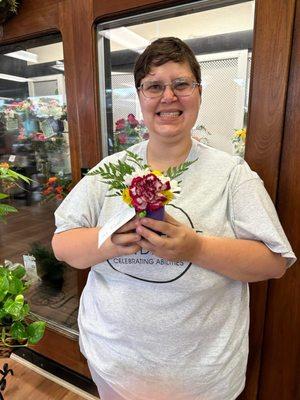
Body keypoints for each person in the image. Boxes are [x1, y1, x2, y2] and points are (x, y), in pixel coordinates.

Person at [52, 37, 296, 400]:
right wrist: (111, 240)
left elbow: (274, 262)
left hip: (202, 376)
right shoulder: (110, 170)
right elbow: (62, 245)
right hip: (114, 363)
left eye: (181, 84)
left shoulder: (232, 174)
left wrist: (195, 247)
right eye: (154, 86)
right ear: (140, 96)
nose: (168, 97)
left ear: (199, 93)